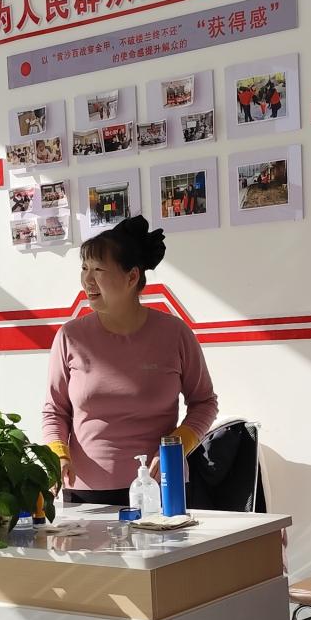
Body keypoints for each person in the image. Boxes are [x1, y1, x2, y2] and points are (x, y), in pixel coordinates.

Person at [42, 215, 218, 504]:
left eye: (98, 269)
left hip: (162, 488)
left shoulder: (175, 333)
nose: (87, 279)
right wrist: (58, 455)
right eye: (84, 268)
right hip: (86, 492)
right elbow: (54, 411)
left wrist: (175, 449)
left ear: (132, 277)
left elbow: (205, 403)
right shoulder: (70, 336)